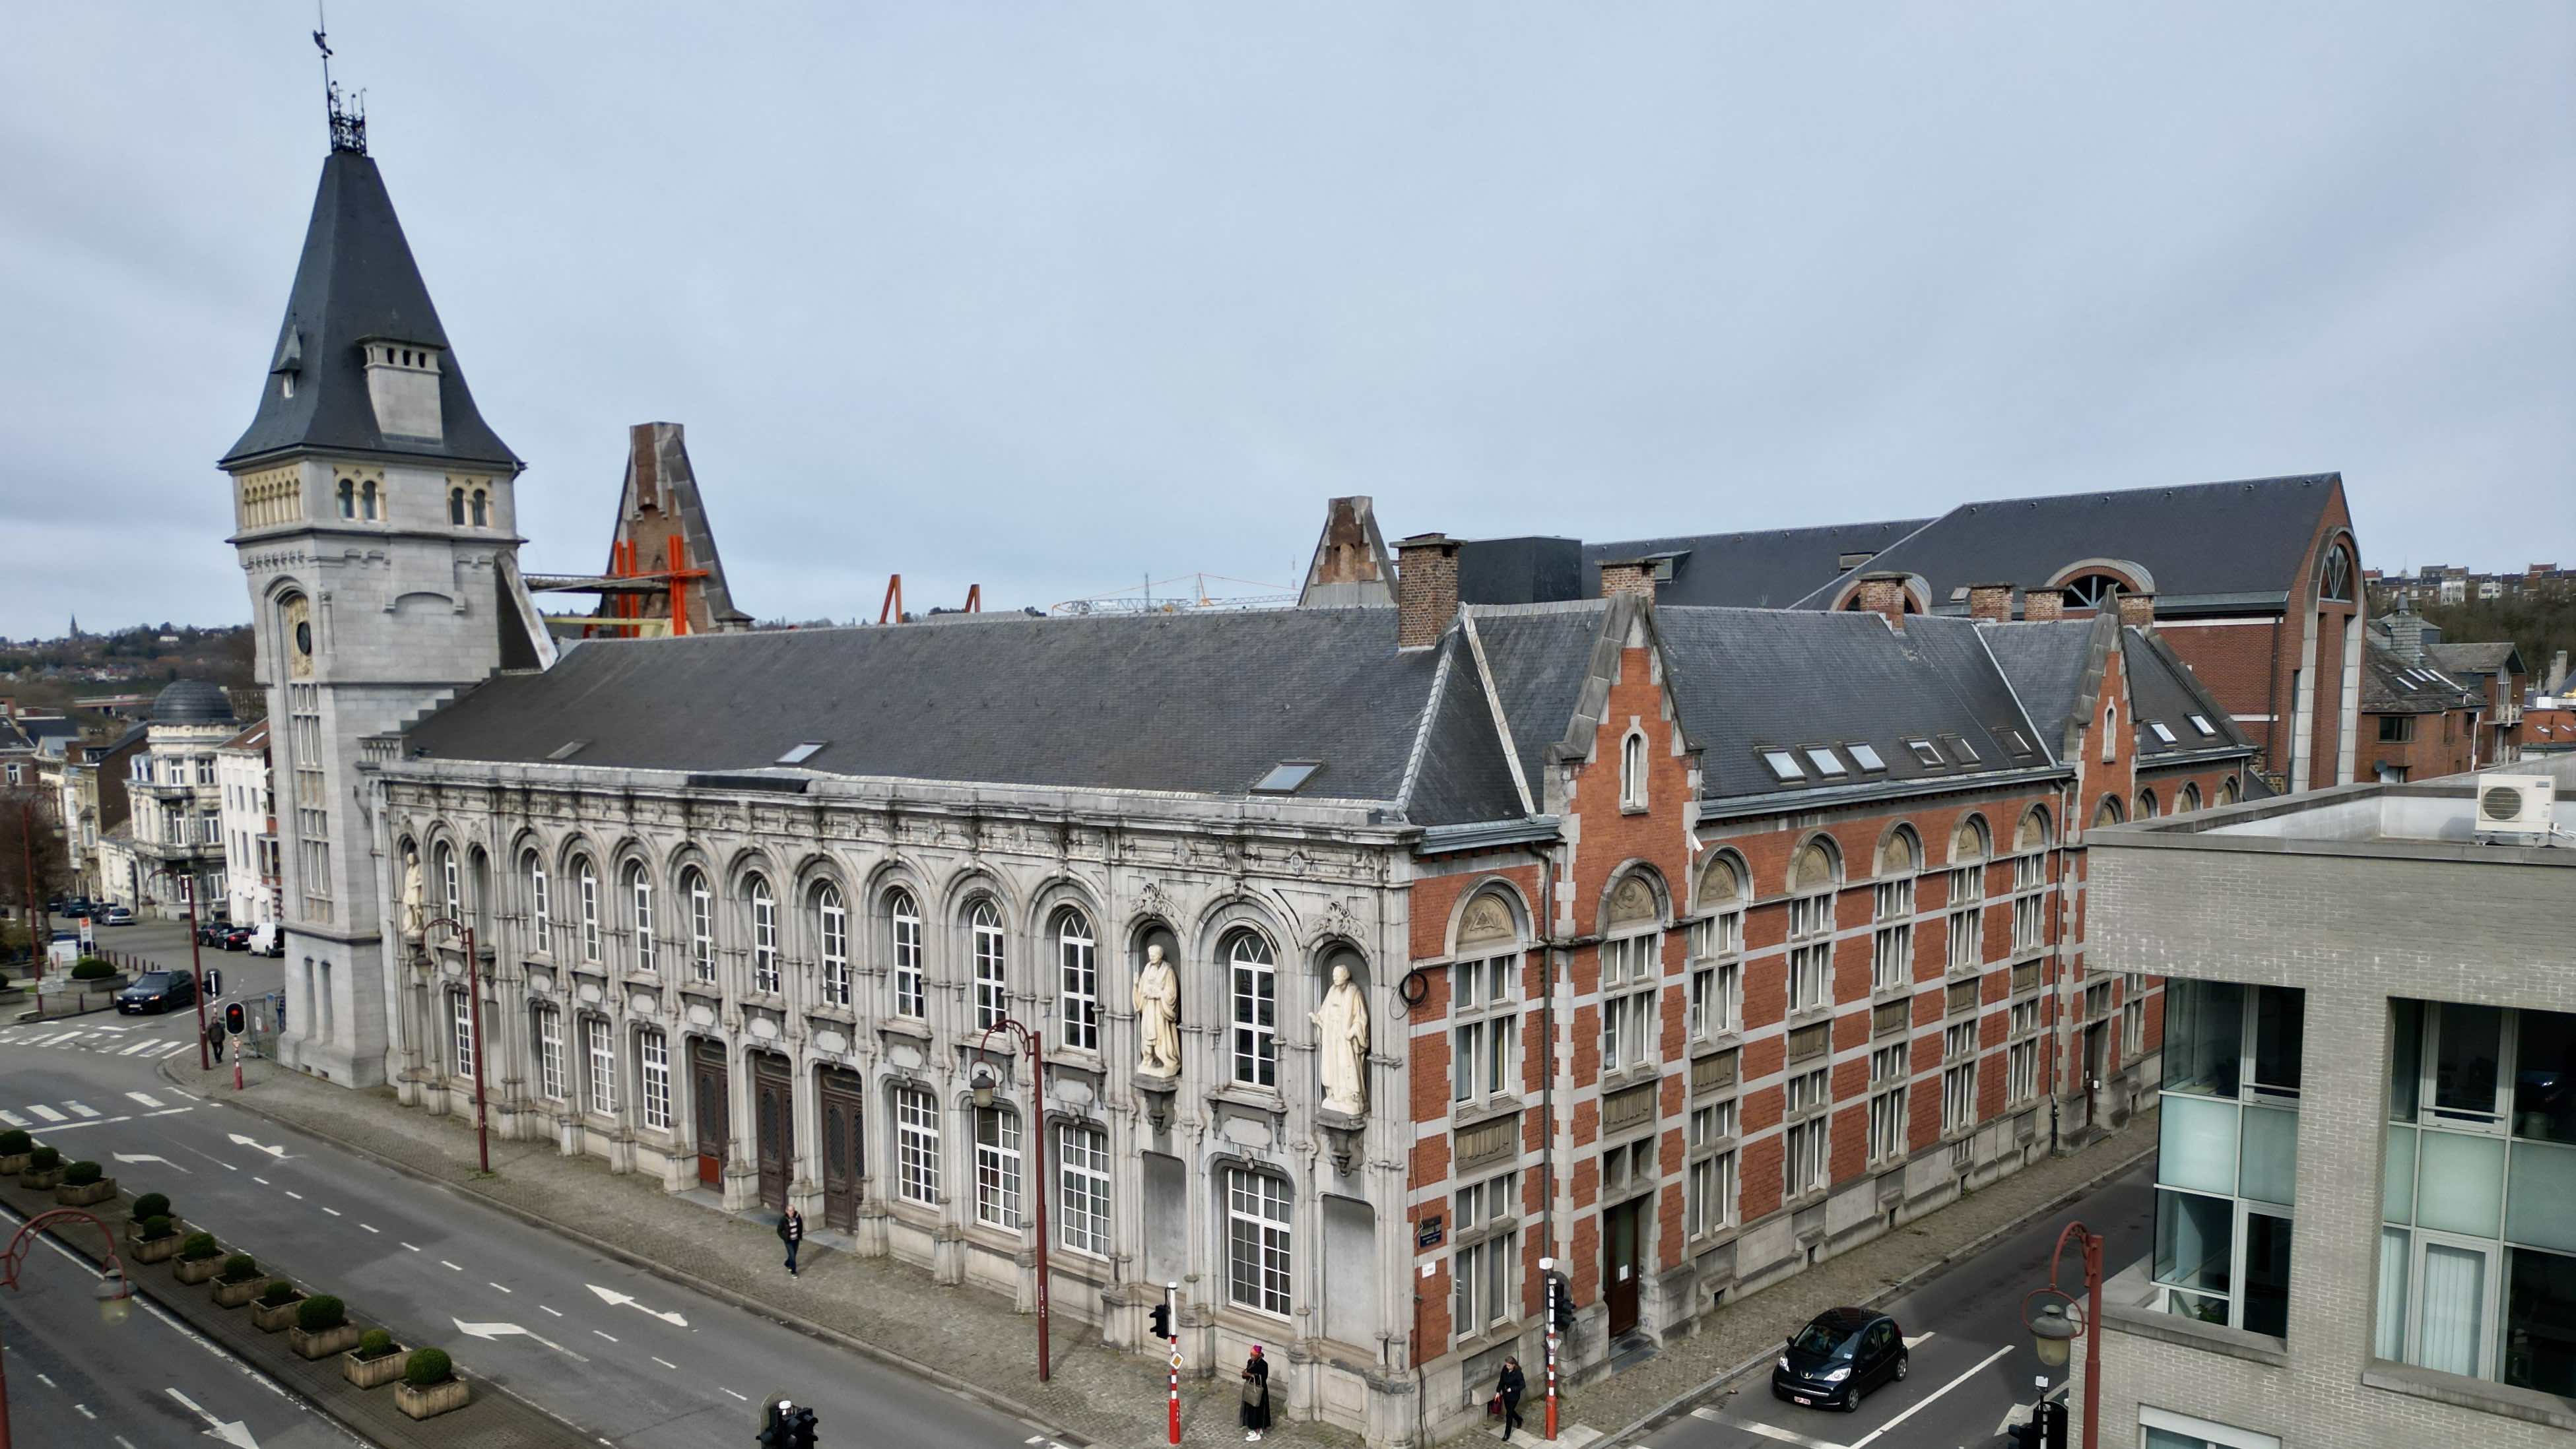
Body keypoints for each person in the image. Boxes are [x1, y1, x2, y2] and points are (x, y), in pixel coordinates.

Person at [1239, 1343, 1270, 1441]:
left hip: (1259, 1391)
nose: (1252, 1356)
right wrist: (1245, 1374)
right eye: (1251, 1354)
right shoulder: (1250, 1362)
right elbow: (1247, 1374)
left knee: (1258, 1411)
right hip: (1250, 1388)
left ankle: (1258, 1433)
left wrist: (1252, 1375)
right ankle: (1255, 1428)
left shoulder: (1264, 1365)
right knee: (1251, 1409)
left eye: (1253, 1355)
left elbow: (1263, 1377)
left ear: (1258, 1355)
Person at [1496, 1355, 1526, 1440]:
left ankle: (1507, 1434)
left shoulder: (1518, 1373)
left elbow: (1523, 1385)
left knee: (1509, 1414)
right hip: (1506, 1395)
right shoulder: (1505, 1369)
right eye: (1506, 1365)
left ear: (1513, 1365)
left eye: (1509, 1366)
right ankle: (1519, 1419)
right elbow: (1502, 1380)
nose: (1507, 1367)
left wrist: (1512, 1389)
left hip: (1514, 1396)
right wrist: (1498, 1392)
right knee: (1510, 1411)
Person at [777, 1206, 804, 1276]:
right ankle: (794, 1272)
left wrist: (800, 1235)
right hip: (789, 1241)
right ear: (786, 1211)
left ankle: (787, 1264)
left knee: (793, 1254)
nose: (791, 1212)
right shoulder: (783, 1219)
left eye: (792, 1210)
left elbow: (801, 1225)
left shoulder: (798, 1217)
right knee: (792, 1256)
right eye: (790, 1211)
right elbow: (779, 1231)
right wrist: (784, 1238)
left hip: (796, 1239)